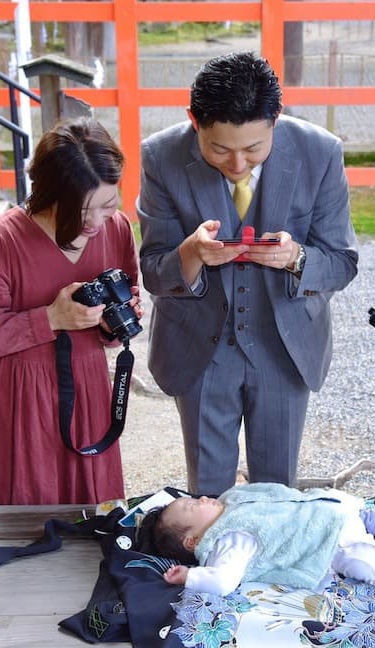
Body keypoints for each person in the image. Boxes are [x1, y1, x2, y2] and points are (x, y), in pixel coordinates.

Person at [137, 52, 359, 497]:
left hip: (285, 346)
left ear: (275, 119)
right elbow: (153, 272)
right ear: (194, 121)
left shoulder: (320, 153)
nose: (238, 164)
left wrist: (297, 257)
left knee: (277, 493)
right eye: (219, 149)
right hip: (199, 347)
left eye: (254, 149)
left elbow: (342, 262)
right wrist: (192, 253)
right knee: (207, 498)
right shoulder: (161, 156)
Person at [0, 117, 142, 505]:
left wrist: (109, 324)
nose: (96, 220)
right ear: (50, 195)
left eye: (107, 205)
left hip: (86, 392)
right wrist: (51, 318)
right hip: (13, 401)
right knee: (13, 527)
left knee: (89, 523)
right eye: (82, 209)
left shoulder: (116, 228)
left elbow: (124, 300)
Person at [144, 482, 375, 596]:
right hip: (322, 542)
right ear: (193, 540)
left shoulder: (230, 500)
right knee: (363, 561)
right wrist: (190, 577)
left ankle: (370, 518)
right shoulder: (228, 539)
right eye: (193, 506)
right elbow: (223, 581)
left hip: (319, 507)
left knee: (340, 500)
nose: (202, 498)